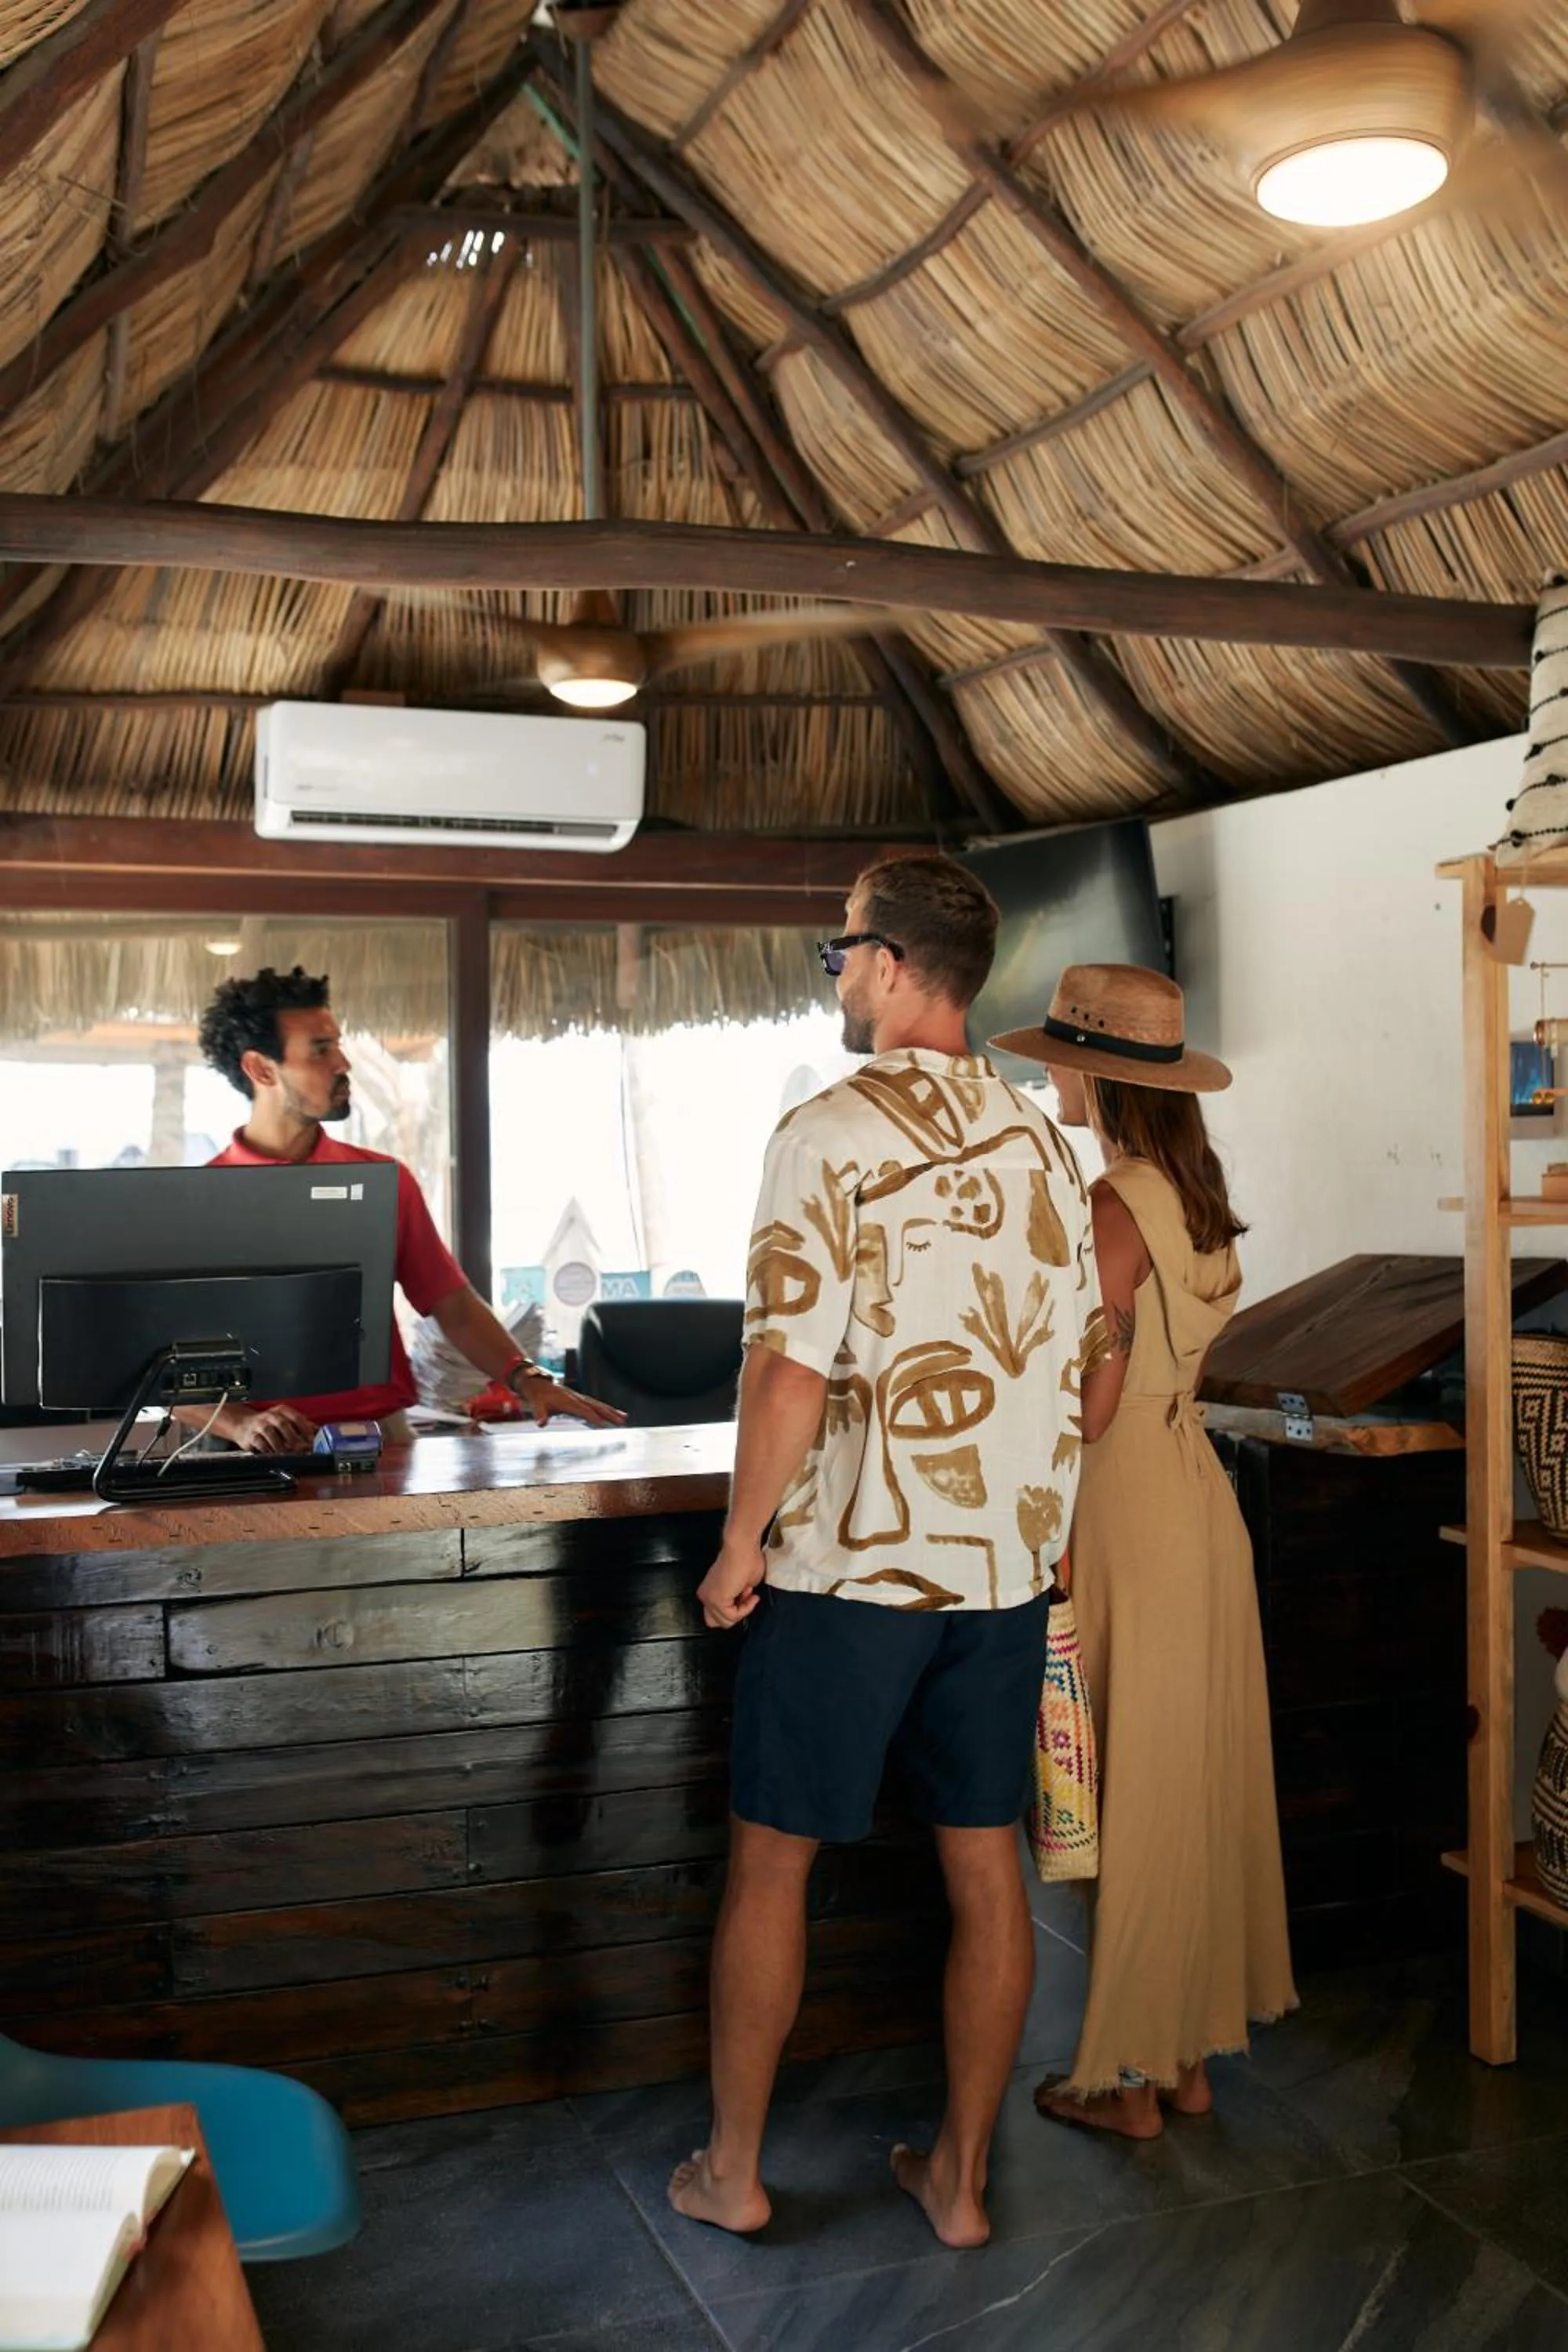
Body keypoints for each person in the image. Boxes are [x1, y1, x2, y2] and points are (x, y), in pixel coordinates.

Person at [670, 854, 1100, 2252]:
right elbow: (1079, 1361)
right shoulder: (1046, 1139)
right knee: (986, 1872)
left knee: (773, 1867)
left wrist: (740, 1539)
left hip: (851, 1572)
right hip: (1001, 1578)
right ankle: (961, 2186)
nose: (838, 973)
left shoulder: (828, 1128)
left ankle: (733, 2172)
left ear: (897, 966)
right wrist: (1040, 1529)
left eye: (843, 950)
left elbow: (788, 1364)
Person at [993, 964, 1297, 2139]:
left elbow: (1091, 1405)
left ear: (1100, 1077)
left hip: (1120, 1502)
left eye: (1061, 1063)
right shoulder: (1192, 1193)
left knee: (1125, 1785)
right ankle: (1185, 2064)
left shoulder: (1109, 1206)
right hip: (1196, 1499)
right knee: (1191, 1778)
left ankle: (1124, 2079)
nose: (1050, 1081)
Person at [194, 966, 622, 1450]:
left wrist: (528, 1378)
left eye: (337, 1045)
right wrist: (240, 1425)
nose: (343, 1062)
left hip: (381, 1439)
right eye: (320, 1049)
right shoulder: (200, 1201)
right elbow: (155, 1363)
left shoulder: (382, 1182)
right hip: (248, 1447)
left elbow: (453, 1306)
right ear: (261, 1068)